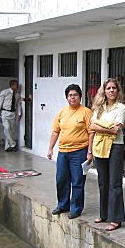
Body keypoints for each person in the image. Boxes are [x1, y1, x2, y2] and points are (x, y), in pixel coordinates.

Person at [47, 84, 93, 219]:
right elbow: (56, 131)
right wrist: (50, 148)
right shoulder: (62, 112)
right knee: (61, 179)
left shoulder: (86, 112)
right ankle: (63, 205)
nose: (73, 98)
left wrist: (90, 151)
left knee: (77, 180)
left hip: (79, 151)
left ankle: (76, 208)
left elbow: (91, 132)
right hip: (63, 152)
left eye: (75, 95)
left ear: (80, 97)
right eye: (70, 95)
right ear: (66, 97)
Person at [90, 78, 125, 231]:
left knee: (114, 183)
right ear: (104, 91)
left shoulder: (121, 107)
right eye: (108, 88)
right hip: (99, 146)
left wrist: (100, 126)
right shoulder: (99, 108)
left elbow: (117, 129)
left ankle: (116, 218)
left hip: (115, 146)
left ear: (118, 90)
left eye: (114, 88)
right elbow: (92, 126)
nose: (111, 90)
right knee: (102, 182)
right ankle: (103, 214)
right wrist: (108, 128)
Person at [0, 79, 22, 152]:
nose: (17, 87)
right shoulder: (5, 92)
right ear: (12, 85)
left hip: (12, 113)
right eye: (16, 85)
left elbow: (18, 105)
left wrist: (19, 114)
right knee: (7, 128)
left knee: (10, 130)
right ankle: (13, 144)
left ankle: (7, 147)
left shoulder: (17, 94)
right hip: (5, 112)